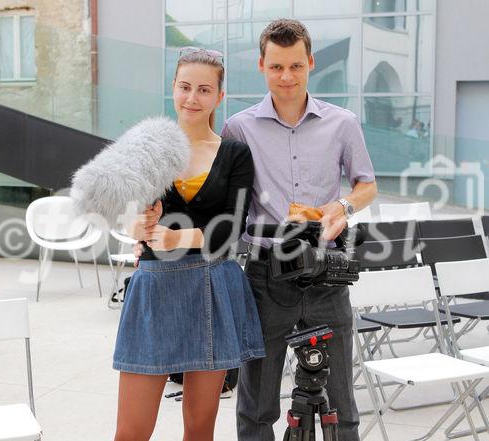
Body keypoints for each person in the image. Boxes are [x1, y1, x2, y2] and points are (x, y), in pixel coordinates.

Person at [220, 19, 377, 441]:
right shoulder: (238, 127)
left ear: (310, 63)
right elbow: (224, 199)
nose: (286, 77)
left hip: (327, 270)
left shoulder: (342, 123)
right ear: (261, 66)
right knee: (257, 407)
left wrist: (341, 206)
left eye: (295, 65)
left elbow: (367, 185)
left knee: (342, 402)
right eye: (276, 67)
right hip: (264, 274)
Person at [113, 47, 265, 441]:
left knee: (199, 430)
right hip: (155, 289)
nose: (192, 98)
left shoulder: (235, 154)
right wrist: (140, 224)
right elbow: (128, 223)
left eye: (203, 90)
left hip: (212, 289)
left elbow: (233, 229)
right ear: (173, 89)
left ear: (219, 97)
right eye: (184, 87)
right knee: (130, 432)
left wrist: (178, 236)